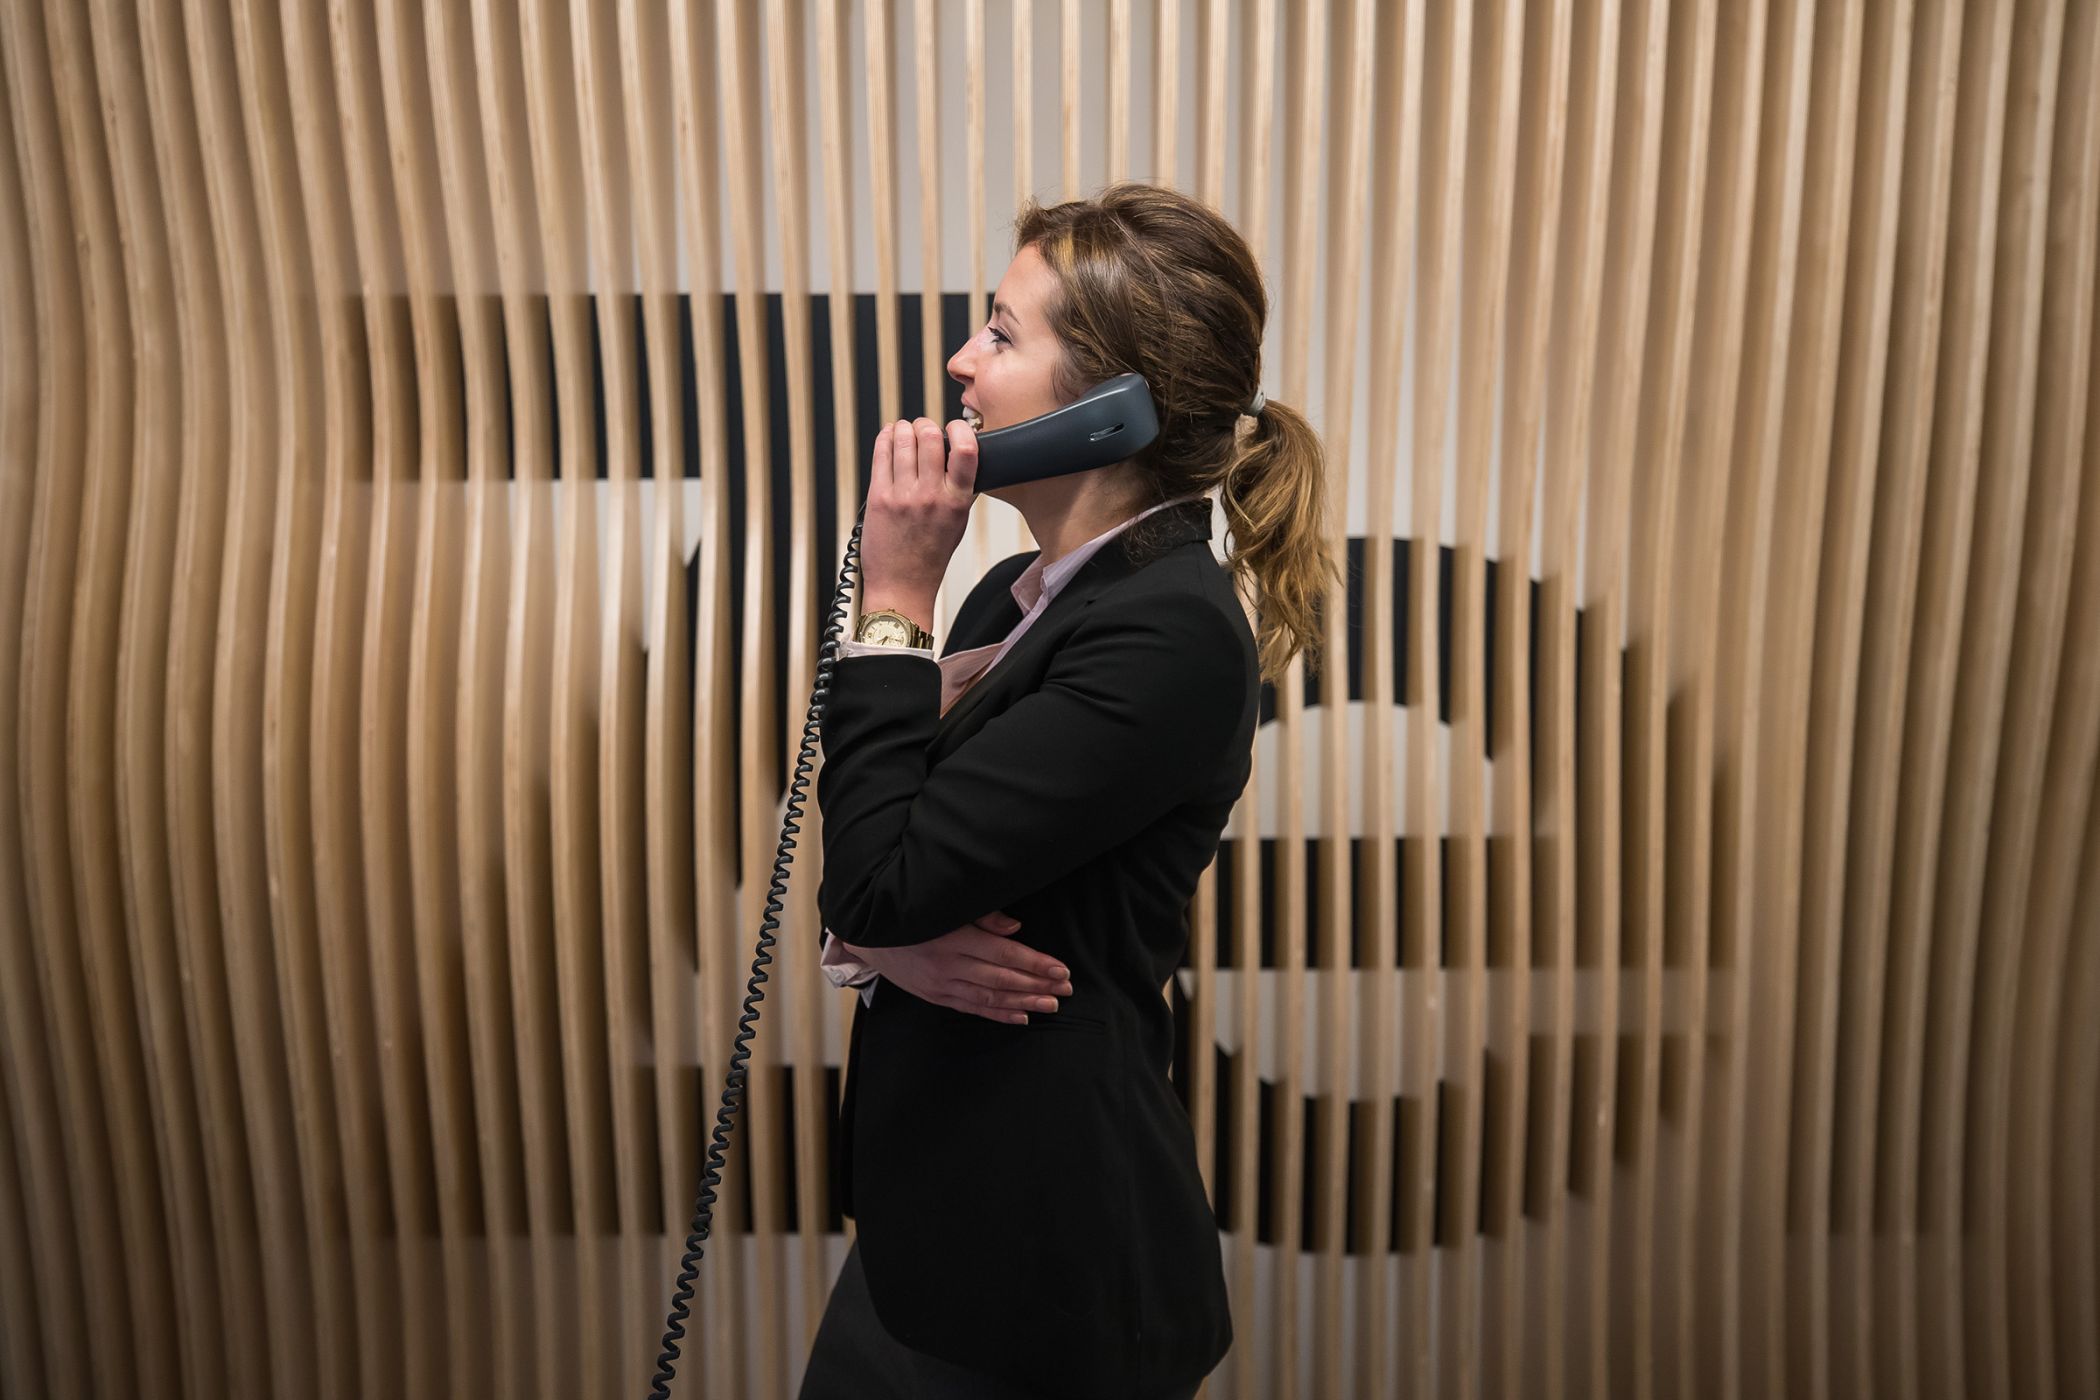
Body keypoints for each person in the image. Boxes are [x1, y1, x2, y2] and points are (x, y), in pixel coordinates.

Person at [801, 182, 1343, 1400]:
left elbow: (880, 875)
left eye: (1000, 332)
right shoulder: (1016, 601)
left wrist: (892, 598)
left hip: (1046, 1272)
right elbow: (880, 863)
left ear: (1108, 409)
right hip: (932, 1233)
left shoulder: (1170, 634)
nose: (959, 360)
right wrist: (879, 941)